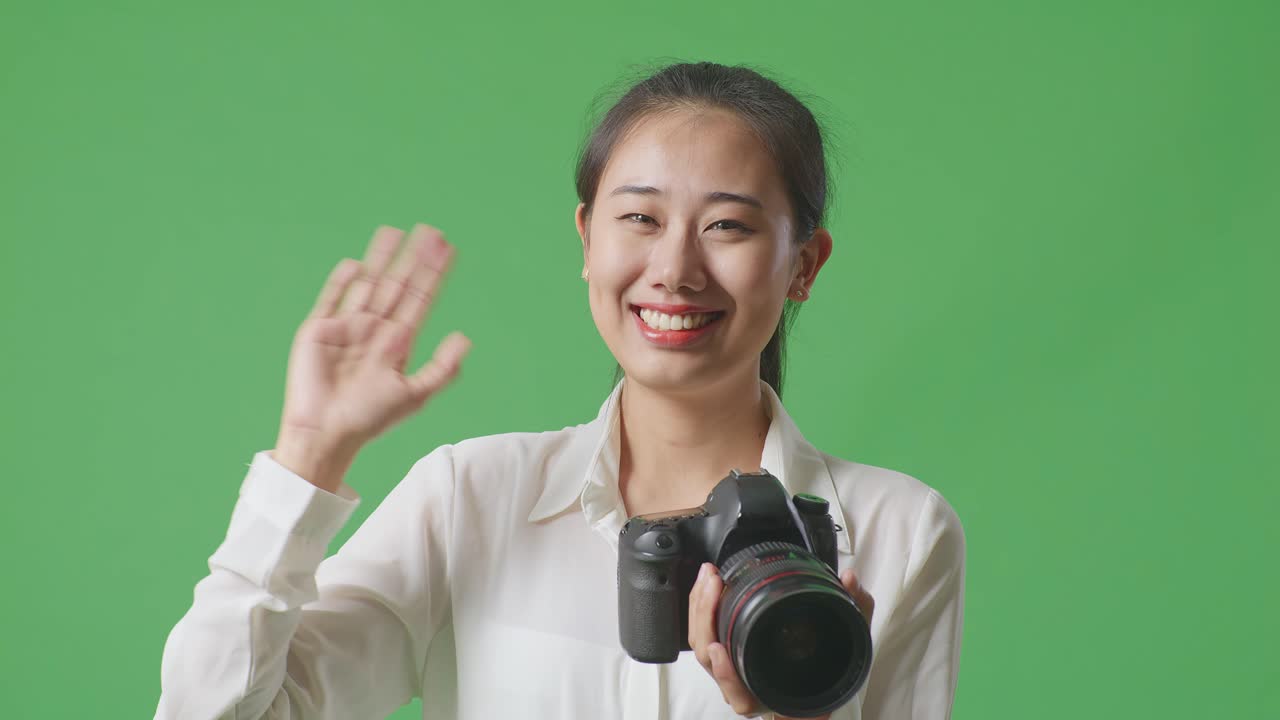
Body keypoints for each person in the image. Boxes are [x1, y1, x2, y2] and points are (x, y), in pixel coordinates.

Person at [155, 61, 965, 720]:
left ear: (803, 265)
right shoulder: (469, 499)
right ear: (587, 240)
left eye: (727, 225)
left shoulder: (898, 533)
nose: (675, 271)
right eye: (640, 219)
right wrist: (309, 453)